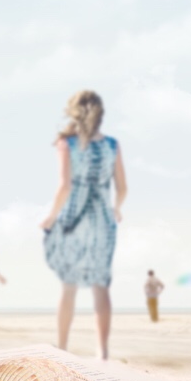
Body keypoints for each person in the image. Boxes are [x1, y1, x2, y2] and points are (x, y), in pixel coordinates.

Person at [41, 90, 127, 359]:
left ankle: (63, 346)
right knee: (101, 286)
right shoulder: (112, 145)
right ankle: (102, 352)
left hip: (73, 219)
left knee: (69, 286)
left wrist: (50, 217)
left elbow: (64, 187)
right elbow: (122, 188)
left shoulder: (66, 143)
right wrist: (116, 208)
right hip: (102, 220)